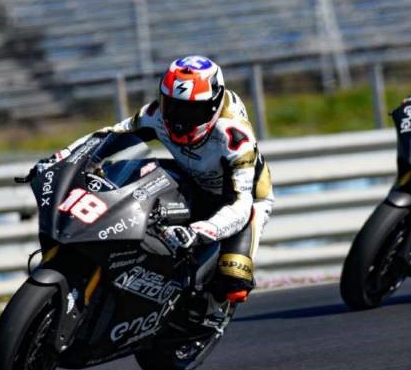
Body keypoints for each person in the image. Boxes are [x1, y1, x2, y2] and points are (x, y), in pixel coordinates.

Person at [36, 55, 274, 304]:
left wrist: (200, 231)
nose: (180, 120)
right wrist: (62, 157)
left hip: (242, 199)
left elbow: (241, 205)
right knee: (135, 182)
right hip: (191, 178)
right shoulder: (156, 114)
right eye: (174, 107)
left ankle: (204, 313)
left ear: (213, 105)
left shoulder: (234, 137)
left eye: (192, 111)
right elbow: (109, 135)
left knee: (233, 280)